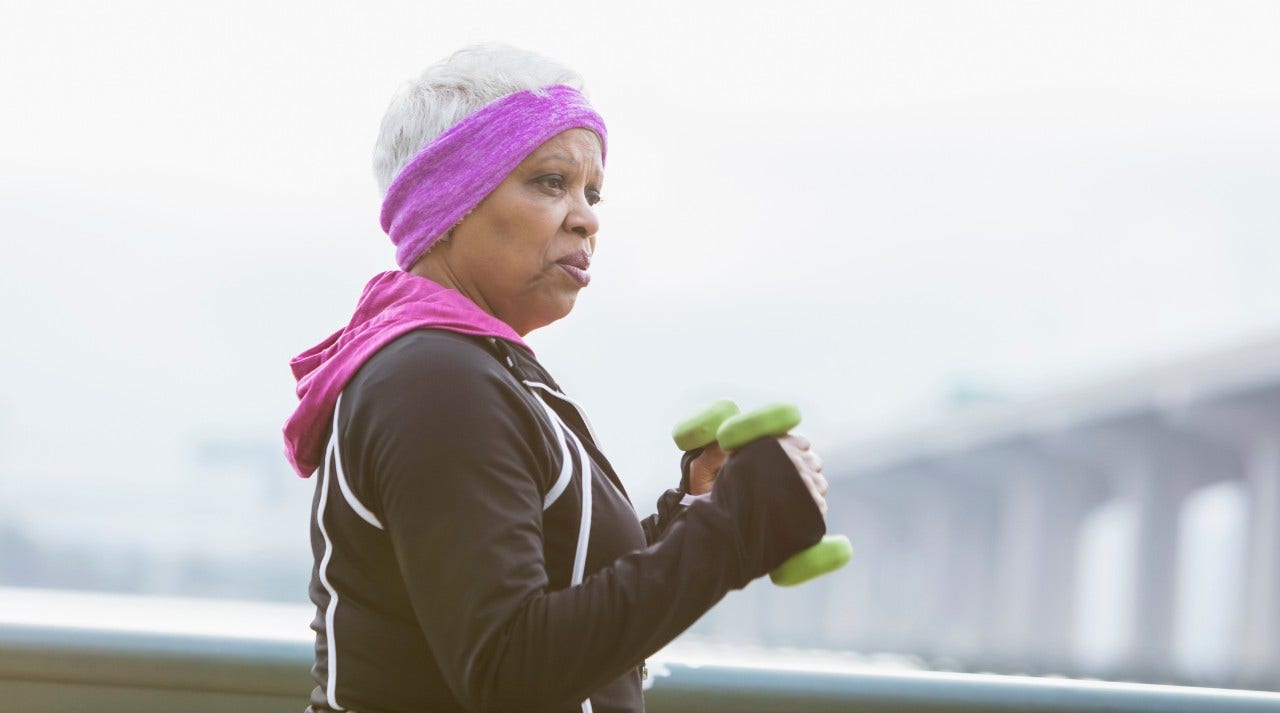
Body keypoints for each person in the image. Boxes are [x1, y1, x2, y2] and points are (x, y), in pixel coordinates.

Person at [283, 44, 829, 713]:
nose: (587, 217)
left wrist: (695, 512)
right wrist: (741, 526)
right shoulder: (434, 379)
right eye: (550, 182)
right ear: (451, 199)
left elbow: (568, 622)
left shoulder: (470, 366)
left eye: (593, 192)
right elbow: (509, 670)